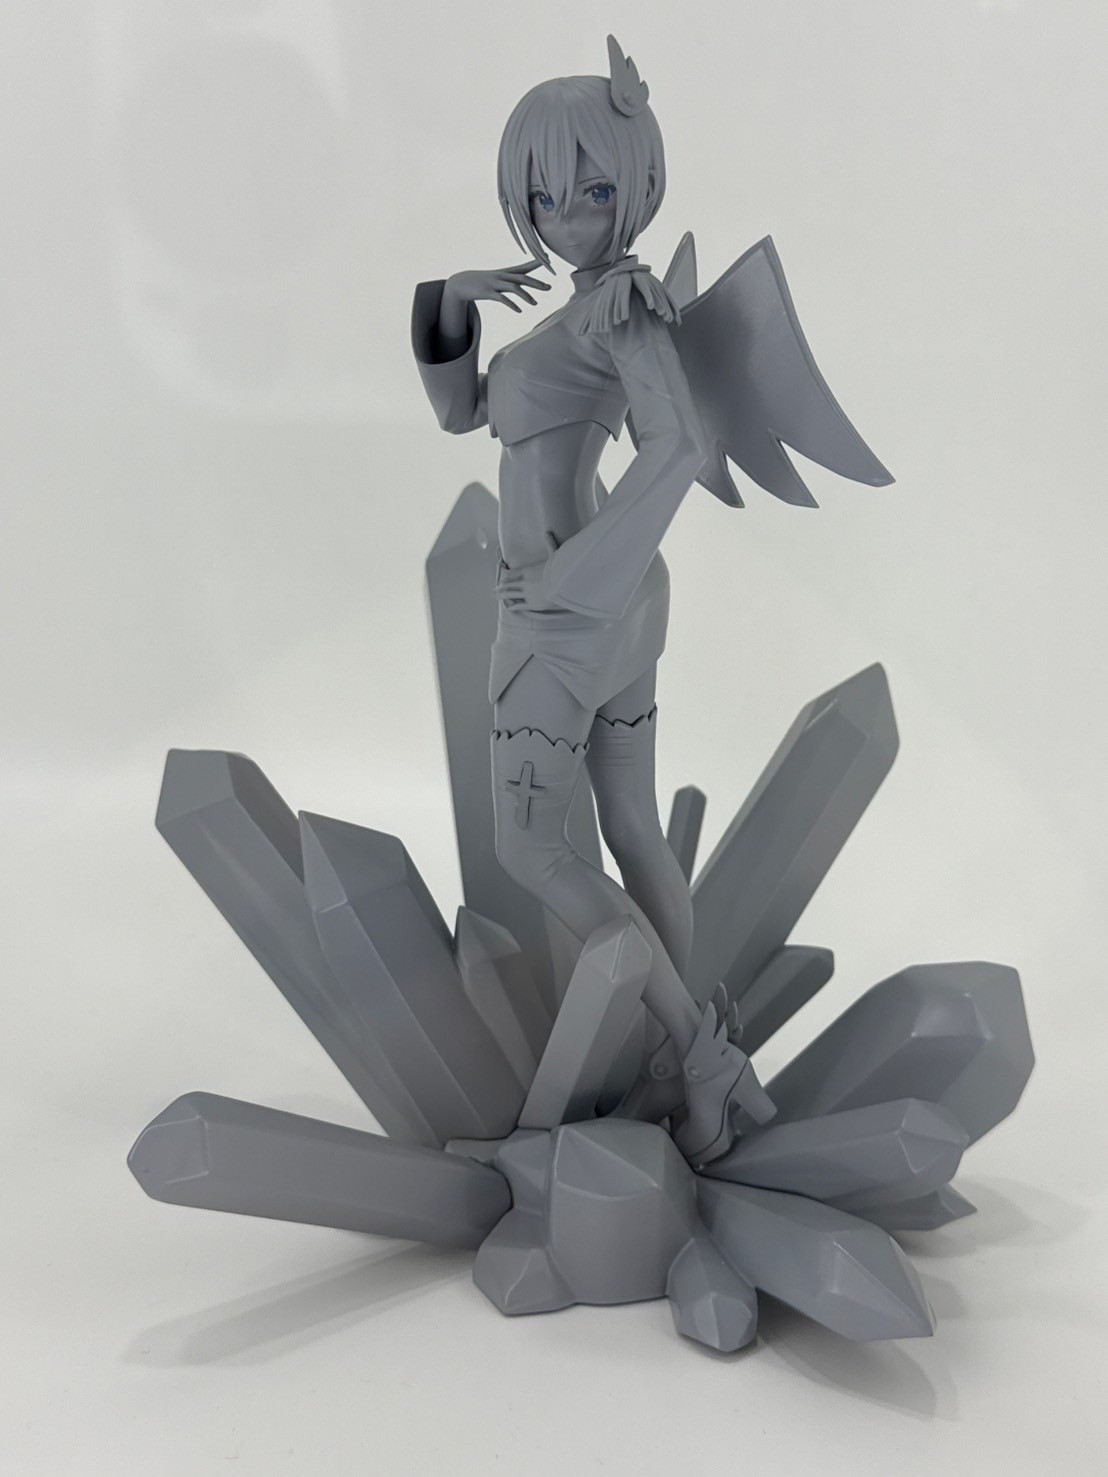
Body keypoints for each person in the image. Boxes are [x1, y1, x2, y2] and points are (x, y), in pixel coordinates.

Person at [411, 38, 774, 1164]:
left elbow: (679, 447)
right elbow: (466, 414)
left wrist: (567, 583)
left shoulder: (621, 304)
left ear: (638, 183)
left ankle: (698, 1055)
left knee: (531, 847)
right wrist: (448, 305)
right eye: (543, 198)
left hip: (566, 613)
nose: (566, 216)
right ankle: (683, 1051)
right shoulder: (584, 312)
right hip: (608, 607)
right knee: (626, 823)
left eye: (593, 191)